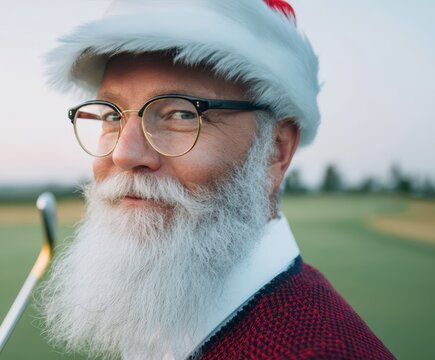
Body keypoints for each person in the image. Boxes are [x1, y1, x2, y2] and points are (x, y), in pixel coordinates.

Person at [39, 0, 394, 359]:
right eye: (111, 116)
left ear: (276, 150)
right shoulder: (163, 313)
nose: (124, 154)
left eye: (180, 113)